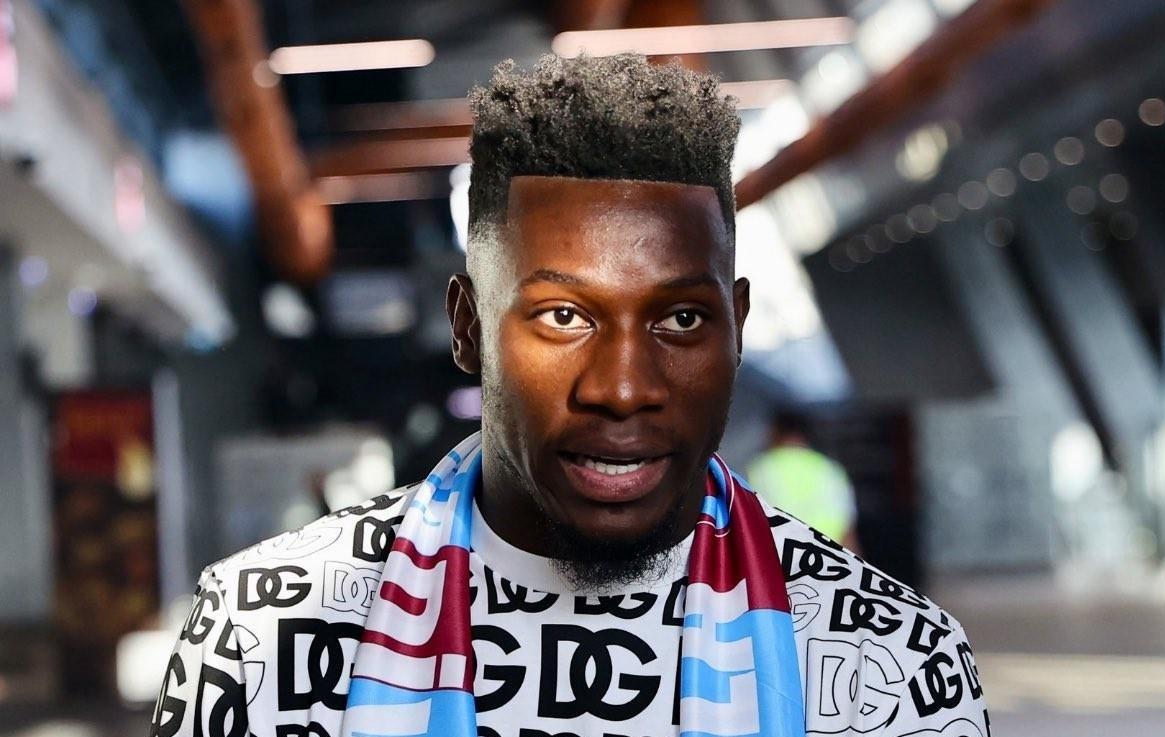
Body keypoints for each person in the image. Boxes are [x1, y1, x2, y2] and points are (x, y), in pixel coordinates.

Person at [151, 54, 988, 737]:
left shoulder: (892, 662)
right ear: (468, 325)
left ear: (735, 328)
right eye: (562, 315)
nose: (621, 388)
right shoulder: (262, 638)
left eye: (681, 318)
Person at [747, 409, 860, 552]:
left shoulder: (761, 468)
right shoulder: (830, 468)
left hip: (783, 554)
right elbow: (847, 528)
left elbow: (749, 521)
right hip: (827, 555)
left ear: (775, 432)